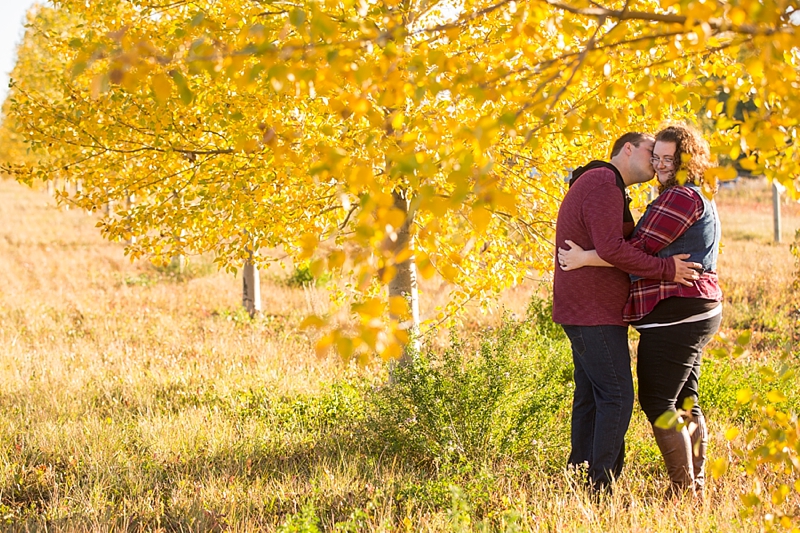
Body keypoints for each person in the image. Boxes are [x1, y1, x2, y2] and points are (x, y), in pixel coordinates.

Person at [558, 124, 722, 497]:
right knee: (684, 400)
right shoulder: (690, 194)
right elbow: (628, 247)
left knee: (655, 400)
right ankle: (691, 488)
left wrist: (588, 256)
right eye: (657, 157)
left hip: (677, 312)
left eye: (668, 159)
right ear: (629, 151)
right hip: (689, 310)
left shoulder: (679, 197)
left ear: (686, 161)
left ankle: (681, 491)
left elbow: (637, 247)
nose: (660, 165)